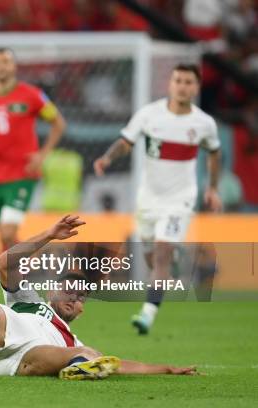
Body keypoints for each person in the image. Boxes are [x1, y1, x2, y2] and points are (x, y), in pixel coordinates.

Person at [0, 215, 199, 379]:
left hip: (26, 358)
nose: (74, 296)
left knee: (89, 354)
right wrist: (49, 235)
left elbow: (117, 363)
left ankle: (78, 367)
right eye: (69, 288)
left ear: (82, 311)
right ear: (52, 289)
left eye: (81, 296)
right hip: (7, 330)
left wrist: (167, 369)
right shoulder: (27, 299)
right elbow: (5, 262)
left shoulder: (71, 337)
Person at [93, 64, 222, 335]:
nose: (182, 86)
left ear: (196, 87)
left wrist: (212, 187)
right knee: (151, 256)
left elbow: (214, 153)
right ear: (170, 84)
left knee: (161, 254)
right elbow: (126, 142)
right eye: (178, 80)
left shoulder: (203, 123)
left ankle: (147, 314)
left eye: (188, 81)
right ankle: (173, 259)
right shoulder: (149, 115)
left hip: (180, 199)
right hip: (148, 199)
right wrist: (107, 157)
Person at [0, 47, 66, 250]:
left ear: (14, 66)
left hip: (22, 173)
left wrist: (43, 155)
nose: (1, 66)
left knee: (8, 230)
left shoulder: (32, 95)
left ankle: (31, 268)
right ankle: (13, 278)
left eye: (6, 62)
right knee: (3, 236)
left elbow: (58, 123)